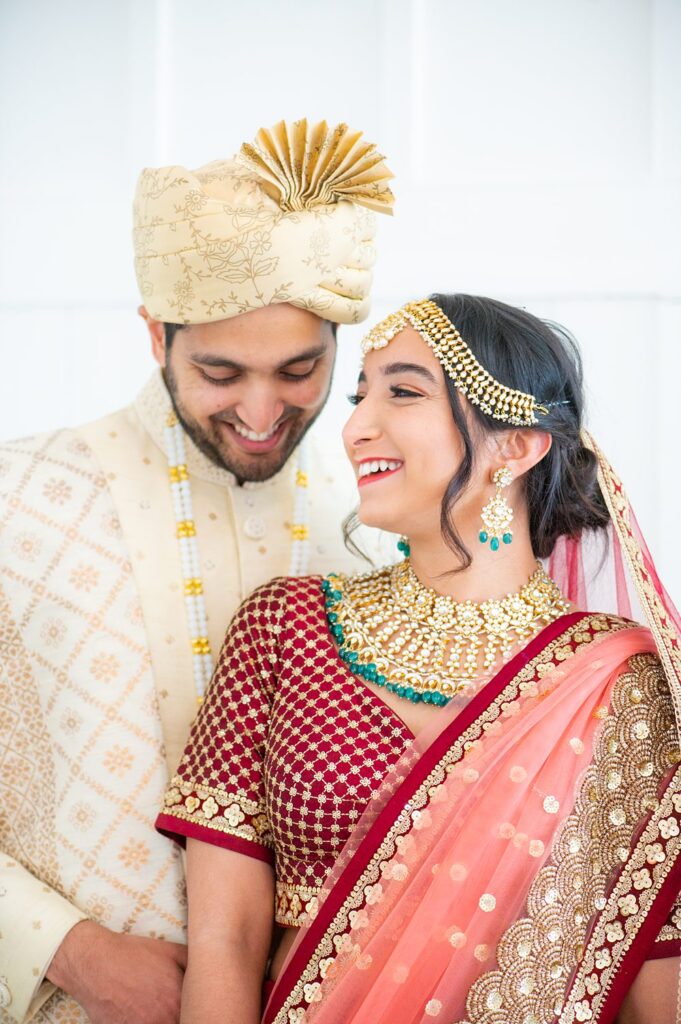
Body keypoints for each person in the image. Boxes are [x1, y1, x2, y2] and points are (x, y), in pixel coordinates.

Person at [157, 293, 681, 1024]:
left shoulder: (617, 683)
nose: (355, 426)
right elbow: (225, 940)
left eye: (402, 392)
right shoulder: (285, 628)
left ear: (516, 445)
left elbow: (650, 976)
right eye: (358, 393)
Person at [0, 118, 394, 1024]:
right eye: (220, 371)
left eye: (300, 369)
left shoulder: (383, 535)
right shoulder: (19, 499)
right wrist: (74, 952)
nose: (262, 411)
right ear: (155, 338)